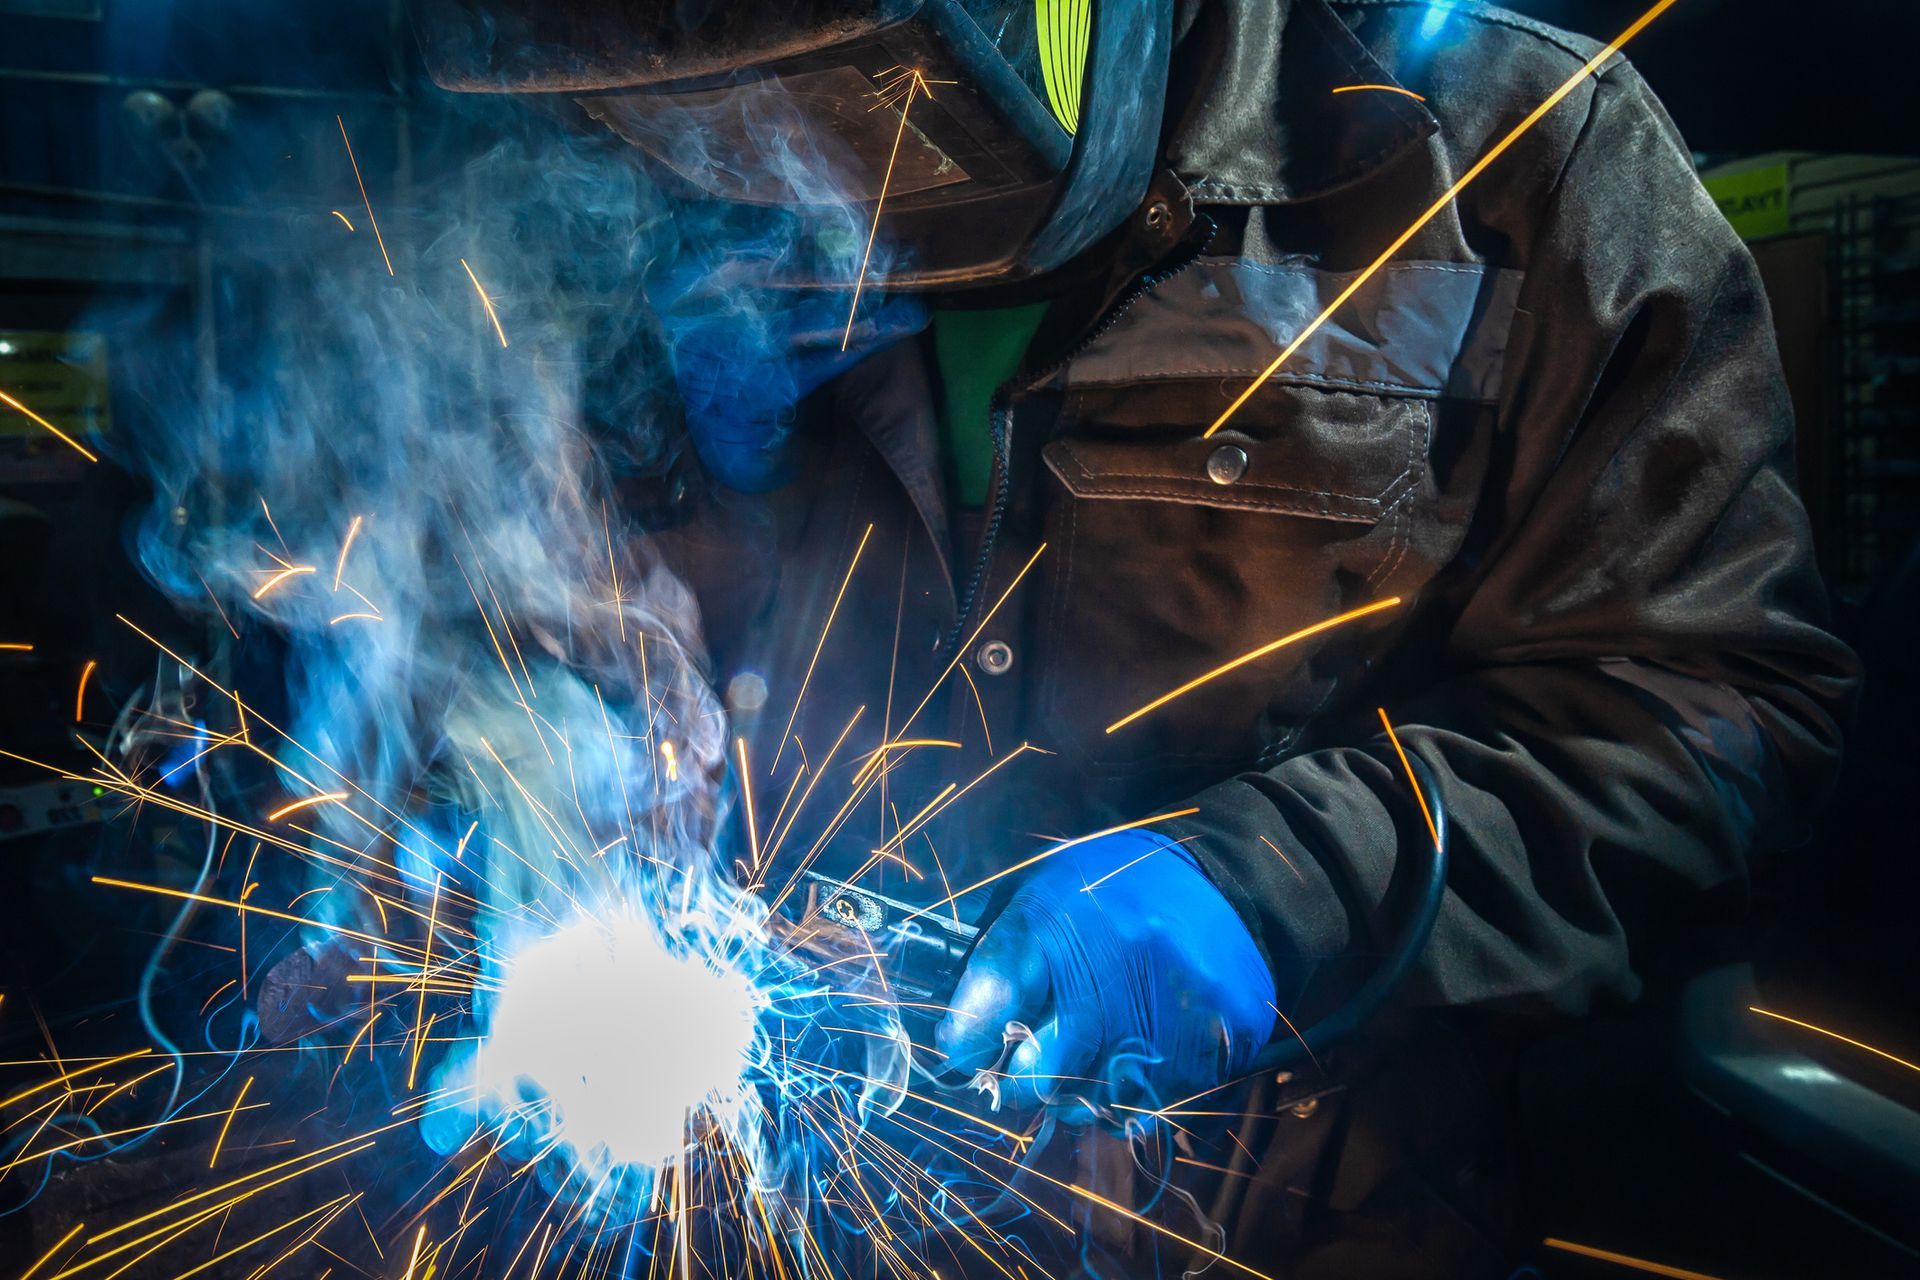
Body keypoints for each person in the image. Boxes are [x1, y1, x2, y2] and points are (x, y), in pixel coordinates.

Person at [421, 0, 1858, 1272]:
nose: (787, 171)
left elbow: (1715, 713)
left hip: (1302, 1228)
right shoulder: (663, 164)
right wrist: (537, 754)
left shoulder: (1511, 164)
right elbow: (567, 583)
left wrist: (1281, 887)